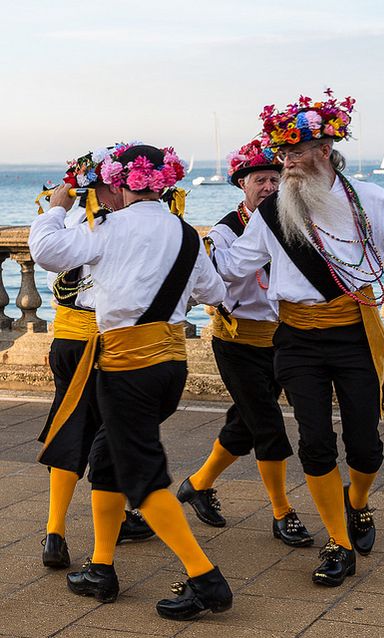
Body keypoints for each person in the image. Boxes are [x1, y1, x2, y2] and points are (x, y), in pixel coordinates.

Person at [211, 91, 384, 587]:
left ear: (325, 149)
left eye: (295, 151)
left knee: (366, 447)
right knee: (314, 443)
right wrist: (173, 251)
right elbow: (228, 268)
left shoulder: (368, 199)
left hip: (356, 336)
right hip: (295, 340)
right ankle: (338, 540)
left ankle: (357, 504)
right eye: (281, 153)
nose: (285, 162)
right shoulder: (271, 214)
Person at [29, 144, 233, 620]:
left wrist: (59, 204)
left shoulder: (110, 228)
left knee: (142, 475)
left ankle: (206, 579)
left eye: (105, 187)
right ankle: (100, 566)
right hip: (170, 365)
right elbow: (215, 291)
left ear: (121, 184)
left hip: (127, 366)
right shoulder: (185, 232)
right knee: (106, 459)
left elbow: (46, 252)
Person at [178, 140, 312, 548]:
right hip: (237, 341)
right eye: (260, 180)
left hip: (282, 338)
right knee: (268, 425)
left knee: (244, 426)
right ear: (243, 185)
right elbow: (217, 279)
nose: (270, 186)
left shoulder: (294, 221)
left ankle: (197, 485)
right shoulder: (224, 231)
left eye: (276, 178)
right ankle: (282, 512)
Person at [37, 145, 154, 571]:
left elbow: (49, 255)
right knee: (112, 433)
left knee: (70, 426)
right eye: (119, 184)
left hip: (67, 338)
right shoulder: (111, 225)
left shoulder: (68, 219)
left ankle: (56, 531)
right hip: (106, 342)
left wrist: (55, 206)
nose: (123, 191)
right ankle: (111, 525)